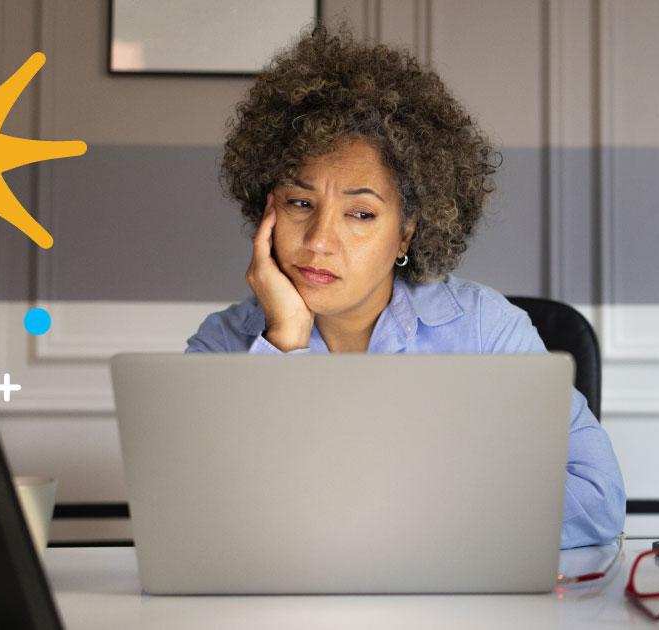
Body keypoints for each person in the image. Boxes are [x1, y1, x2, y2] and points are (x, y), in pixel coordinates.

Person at [186, 24, 625, 548]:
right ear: (268, 209)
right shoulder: (219, 346)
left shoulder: (487, 332)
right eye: (300, 203)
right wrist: (285, 340)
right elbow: (208, 518)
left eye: (361, 213)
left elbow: (596, 501)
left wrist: (399, 524)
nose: (320, 241)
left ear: (407, 232)